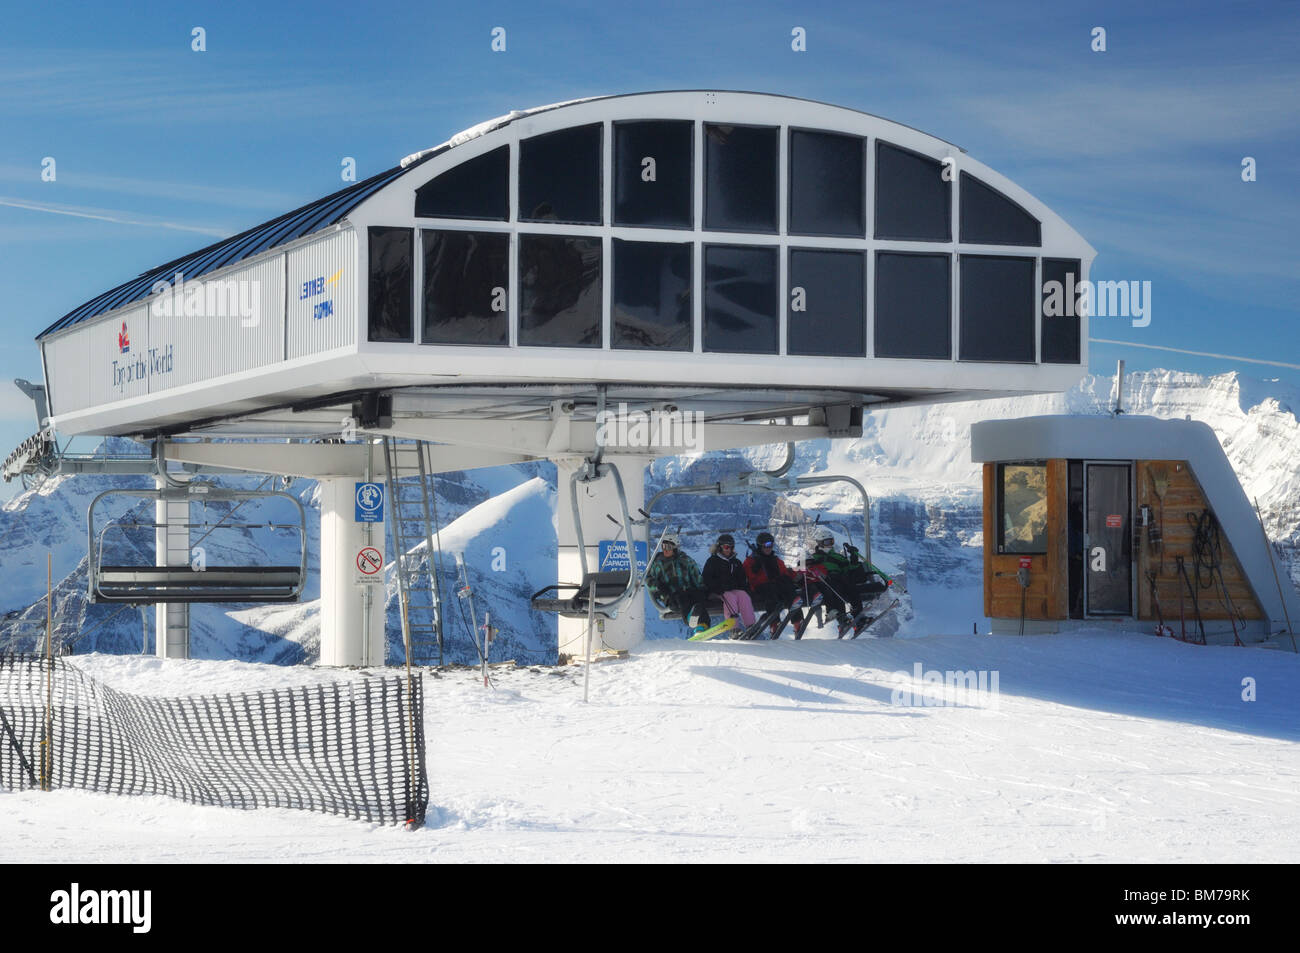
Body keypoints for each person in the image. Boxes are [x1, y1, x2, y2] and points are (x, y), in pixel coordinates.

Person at [805, 532, 885, 620]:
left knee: (852, 588)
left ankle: (859, 617)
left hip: (841, 578)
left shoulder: (838, 557)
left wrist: (854, 559)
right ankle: (841, 618)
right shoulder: (814, 557)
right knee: (837, 587)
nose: (830, 545)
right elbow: (806, 567)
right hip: (824, 580)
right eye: (827, 542)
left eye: (832, 542)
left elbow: (849, 570)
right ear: (820, 543)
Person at [646, 533, 712, 636]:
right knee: (682, 599)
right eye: (663, 546)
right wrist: (659, 588)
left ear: (675, 548)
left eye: (668, 547)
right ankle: (691, 620)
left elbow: (696, 575)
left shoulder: (685, 560)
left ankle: (703, 625)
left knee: (698, 600)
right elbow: (648, 579)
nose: (665, 550)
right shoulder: (658, 563)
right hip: (669, 594)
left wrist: (702, 589)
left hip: (687, 590)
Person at [743, 531, 804, 633]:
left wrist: (795, 576)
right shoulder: (751, 560)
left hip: (775, 586)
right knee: (770, 591)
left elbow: (785, 572)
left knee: (789, 588)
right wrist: (756, 568)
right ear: (760, 546)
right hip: (759, 588)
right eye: (766, 545)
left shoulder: (775, 560)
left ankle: (797, 621)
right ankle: (774, 623)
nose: (769, 548)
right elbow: (748, 576)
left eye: (771, 545)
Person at [702, 533, 757, 628]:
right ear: (719, 548)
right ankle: (733, 628)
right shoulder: (712, 561)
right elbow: (706, 578)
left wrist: (744, 589)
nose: (729, 550)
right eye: (726, 547)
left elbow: (742, 579)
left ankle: (750, 625)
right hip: (716, 591)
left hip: (731, 589)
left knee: (744, 596)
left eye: (731, 547)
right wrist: (716, 587)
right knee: (730, 597)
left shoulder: (735, 562)